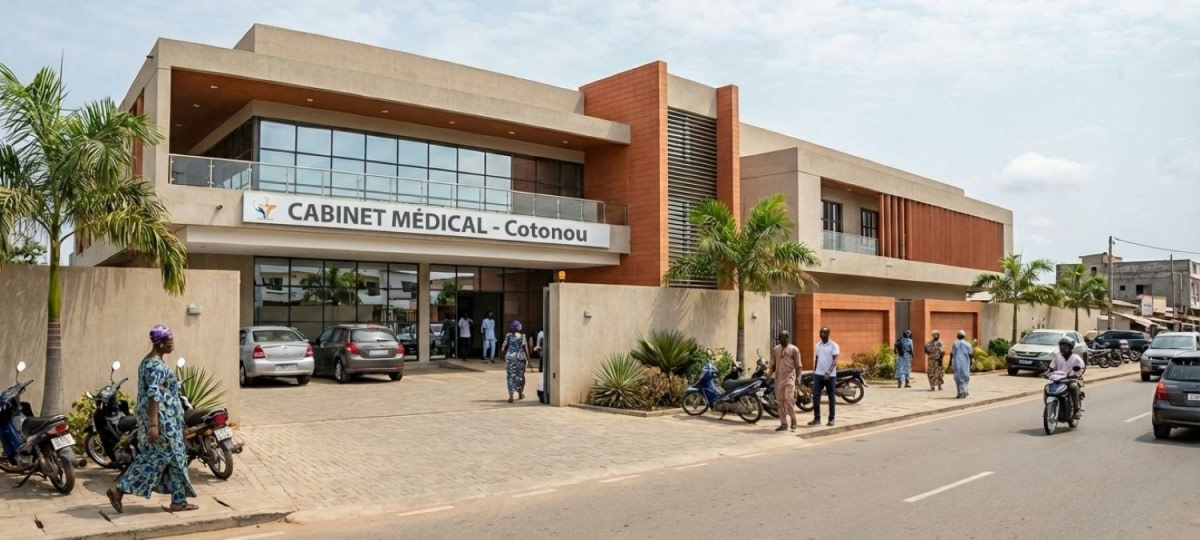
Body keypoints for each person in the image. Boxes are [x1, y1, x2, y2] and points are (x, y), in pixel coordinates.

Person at [106, 325, 196, 513]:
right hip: (163, 422)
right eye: (170, 342)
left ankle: (178, 501)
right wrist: (154, 425)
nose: (173, 345)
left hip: (164, 419)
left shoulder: (148, 362)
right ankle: (119, 490)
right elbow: (153, 395)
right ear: (161, 344)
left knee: (175, 458)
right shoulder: (155, 365)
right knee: (156, 458)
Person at [767, 331, 803, 432]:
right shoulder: (776, 349)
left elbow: (798, 366)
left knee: (788, 400)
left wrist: (798, 378)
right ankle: (783, 424)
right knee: (780, 402)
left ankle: (793, 421)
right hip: (779, 379)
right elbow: (773, 365)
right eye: (779, 338)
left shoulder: (794, 350)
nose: (780, 340)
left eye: (781, 338)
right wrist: (769, 375)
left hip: (790, 379)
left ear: (787, 338)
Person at [808, 327, 839, 427]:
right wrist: (814, 371)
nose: (822, 334)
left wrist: (828, 372)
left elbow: (835, 360)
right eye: (821, 332)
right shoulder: (818, 345)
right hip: (818, 375)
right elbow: (817, 359)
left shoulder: (834, 345)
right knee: (816, 397)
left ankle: (831, 419)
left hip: (830, 376)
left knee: (831, 397)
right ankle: (817, 418)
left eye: (824, 333)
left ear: (828, 334)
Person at [1049, 337, 1085, 417]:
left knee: (1074, 386)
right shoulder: (1057, 357)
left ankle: (1077, 409)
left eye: (1065, 346)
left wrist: (1076, 373)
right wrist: (1047, 373)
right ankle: (1050, 406)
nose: (1062, 348)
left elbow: (1081, 368)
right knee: (1048, 388)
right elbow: (1051, 368)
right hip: (1058, 380)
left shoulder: (1076, 357)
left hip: (1071, 380)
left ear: (1070, 347)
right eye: (1061, 346)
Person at [501, 320, 531, 403]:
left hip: (510, 359)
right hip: (520, 359)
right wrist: (529, 360)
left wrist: (504, 356)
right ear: (520, 327)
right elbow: (526, 349)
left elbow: (503, 347)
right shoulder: (523, 336)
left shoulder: (508, 336)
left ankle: (511, 396)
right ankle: (520, 393)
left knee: (510, 376)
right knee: (520, 376)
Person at [951, 330, 974, 399]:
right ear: (964, 336)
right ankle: (964, 391)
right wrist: (971, 362)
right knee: (965, 376)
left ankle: (959, 393)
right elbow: (970, 354)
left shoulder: (955, 344)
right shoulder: (968, 344)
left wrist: (950, 363)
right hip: (965, 363)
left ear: (957, 336)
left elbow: (952, 354)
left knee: (958, 377)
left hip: (957, 363)